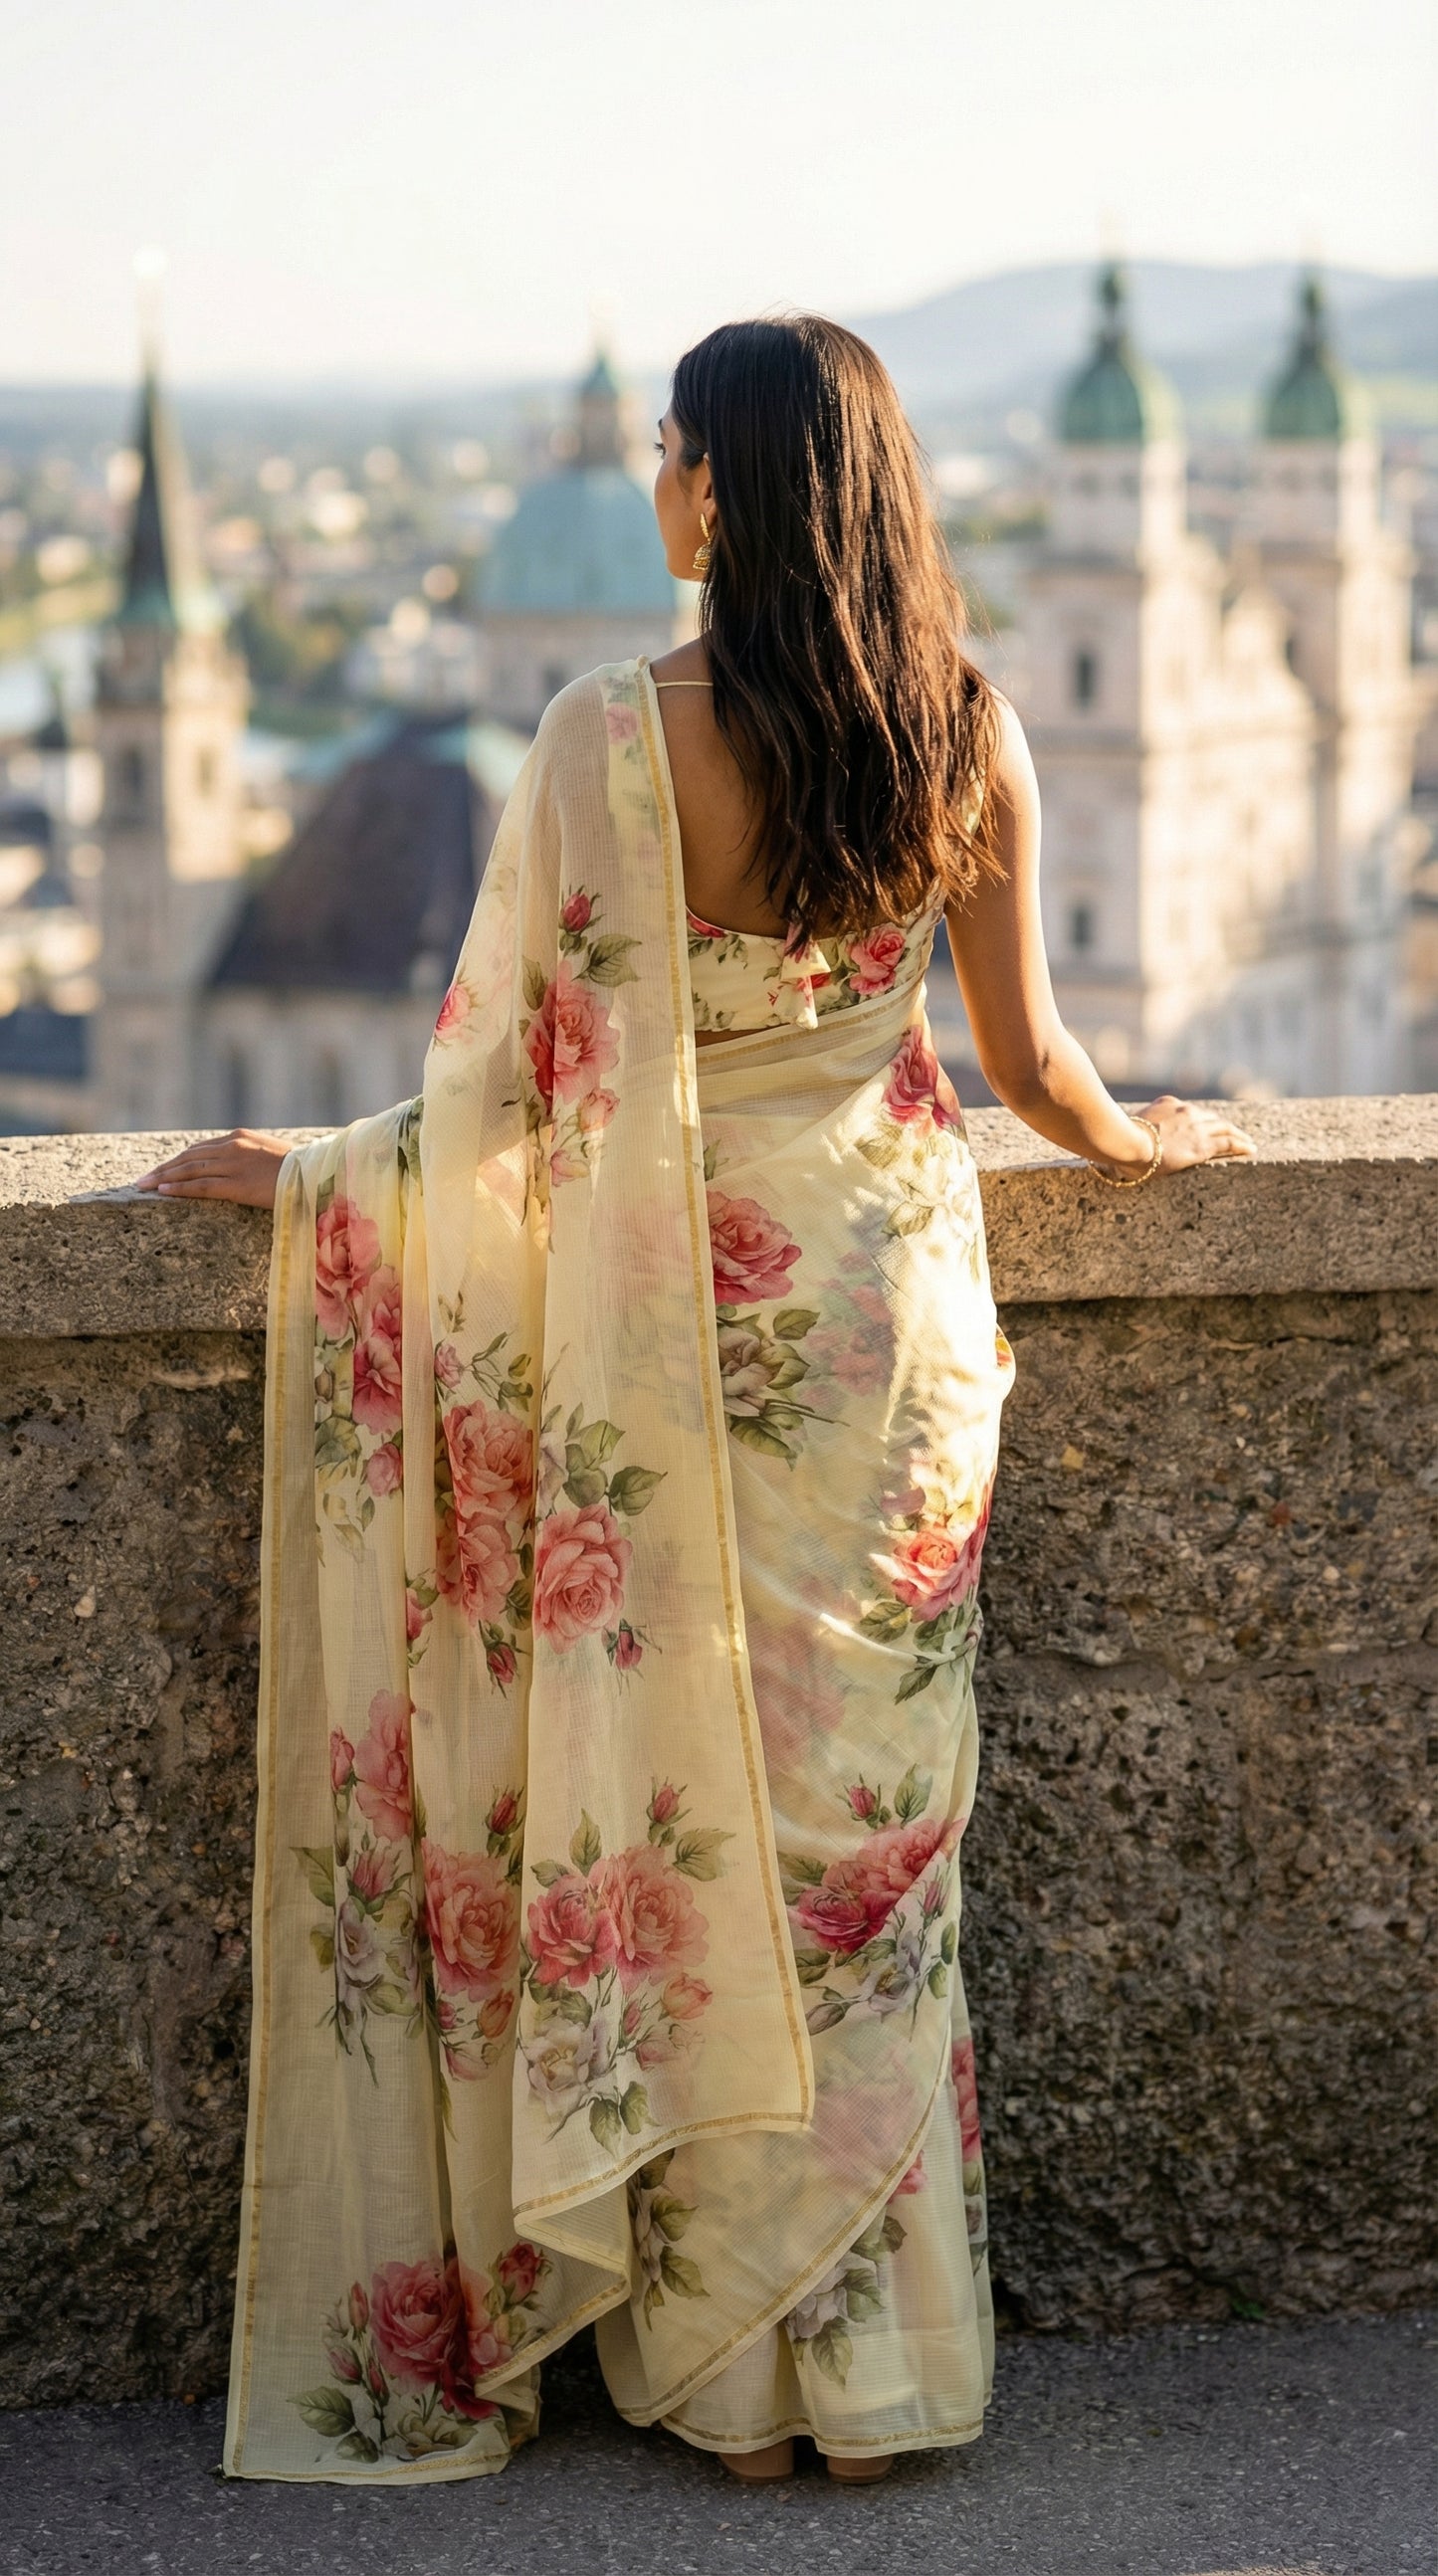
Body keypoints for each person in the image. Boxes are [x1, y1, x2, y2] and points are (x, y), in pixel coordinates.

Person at [140, 315, 1253, 2488]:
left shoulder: (605, 739)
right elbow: (1033, 1065)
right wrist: (1150, 1149)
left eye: (673, 447)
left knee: (685, 1836)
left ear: (723, 490)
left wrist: (305, 1175)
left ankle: (735, 2378)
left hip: (678, 1343)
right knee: (871, 1868)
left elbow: (507, 1091)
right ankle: (876, 2365)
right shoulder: (973, 725)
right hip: (897, 1334)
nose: (656, 476)